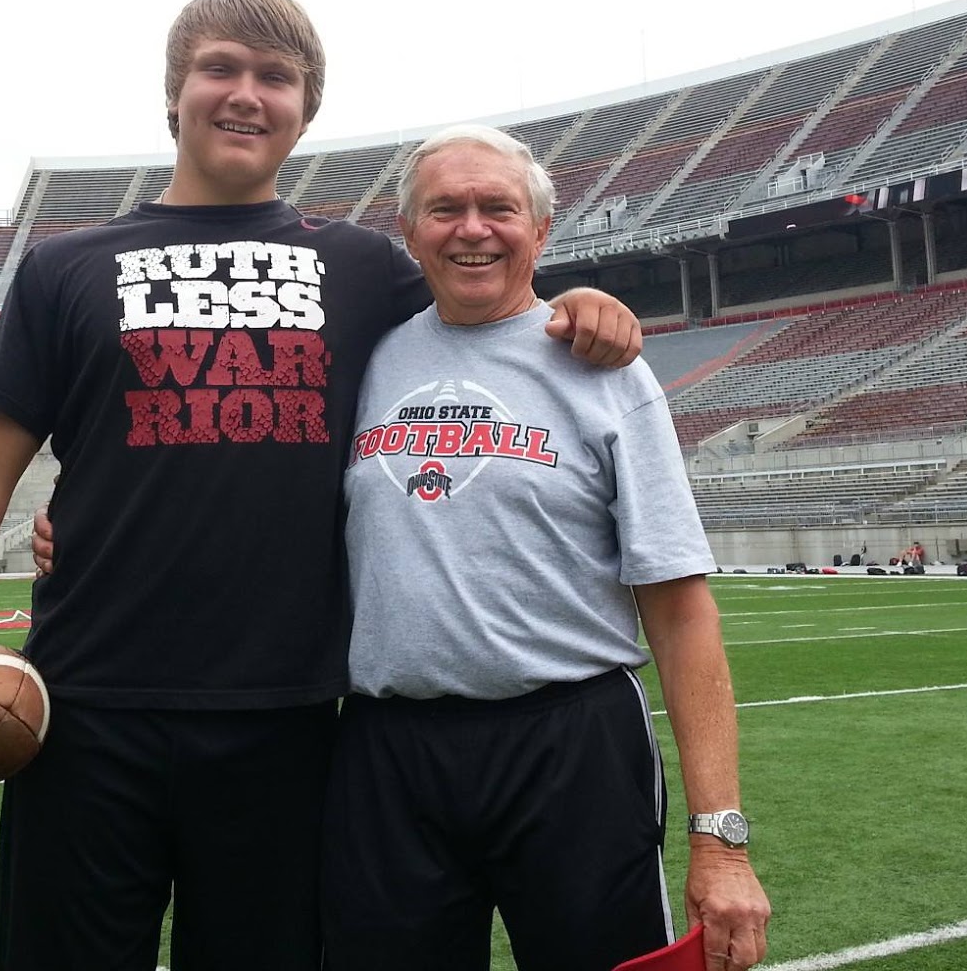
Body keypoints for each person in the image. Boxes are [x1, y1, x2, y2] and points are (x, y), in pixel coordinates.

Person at [0, 0, 642, 971]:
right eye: (219, 68)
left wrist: (583, 302)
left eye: (275, 77)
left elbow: (491, 302)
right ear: (173, 94)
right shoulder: (66, 268)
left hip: (290, 723)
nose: (245, 93)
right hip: (87, 705)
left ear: (305, 111)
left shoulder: (367, 269)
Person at [321, 125, 769, 971]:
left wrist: (722, 842)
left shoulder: (605, 368)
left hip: (573, 744)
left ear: (541, 230)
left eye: (498, 207)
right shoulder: (363, 362)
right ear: (409, 232)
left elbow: (680, 612)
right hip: (389, 749)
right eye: (445, 209)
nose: (473, 228)